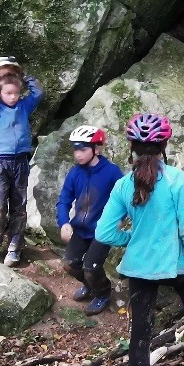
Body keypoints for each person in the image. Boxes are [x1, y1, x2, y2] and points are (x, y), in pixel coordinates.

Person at [92, 113, 184, 366]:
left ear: (131, 147)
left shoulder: (123, 185)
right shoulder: (175, 180)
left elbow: (103, 233)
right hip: (175, 263)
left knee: (141, 332)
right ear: (164, 146)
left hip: (139, 267)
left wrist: (132, 238)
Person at [0, 57, 43, 265]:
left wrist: (23, 76)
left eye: (15, 93)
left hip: (20, 161)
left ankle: (15, 247)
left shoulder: (23, 107)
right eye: (8, 93)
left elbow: (38, 93)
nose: (13, 97)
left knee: (18, 205)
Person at [56, 125, 124, 315]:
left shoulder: (112, 172)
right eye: (75, 149)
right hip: (80, 228)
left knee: (91, 267)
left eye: (83, 149)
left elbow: (125, 198)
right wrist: (64, 222)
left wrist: (119, 219)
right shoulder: (75, 172)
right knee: (69, 264)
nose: (78, 154)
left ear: (97, 149)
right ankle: (90, 285)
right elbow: (64, 200)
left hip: (102, 230)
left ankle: (103, 293)